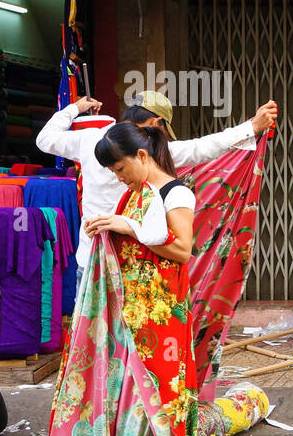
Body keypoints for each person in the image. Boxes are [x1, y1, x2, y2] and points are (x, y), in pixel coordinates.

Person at [0, 122, 201, 436]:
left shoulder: (176, 193)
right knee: (127, 395)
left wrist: (125, 227)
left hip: (160, 317)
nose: (118, 178)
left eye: (119, 169)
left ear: (142, 157)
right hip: (131, 313)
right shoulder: (136, 193)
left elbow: (182, 250)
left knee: (159, 397)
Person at [36, 90, 278, 295]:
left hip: (106, 260)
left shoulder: (91, 139)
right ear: (156, 124)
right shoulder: (145, 149)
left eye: (121, 169)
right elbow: (200, 148)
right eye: (115, 170)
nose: (120, 178)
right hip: (115, 262)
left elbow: (45, 139)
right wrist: (251, 127)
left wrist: (75, 108)